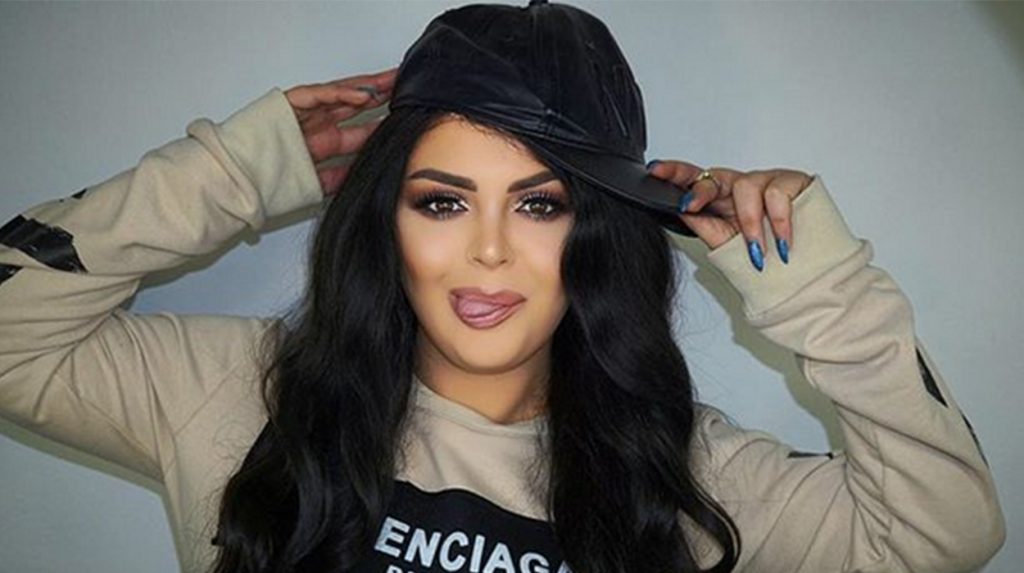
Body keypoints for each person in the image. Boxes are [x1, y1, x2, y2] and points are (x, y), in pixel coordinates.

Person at [0, 2, 1006, 572]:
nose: (488, 252)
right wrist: (230, 173)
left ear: (595, 232)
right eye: (442, 202)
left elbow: (944, 533)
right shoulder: (237, 392)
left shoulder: (684, 472)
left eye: (540, 205)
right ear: (384, 221)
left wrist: (815, 280)